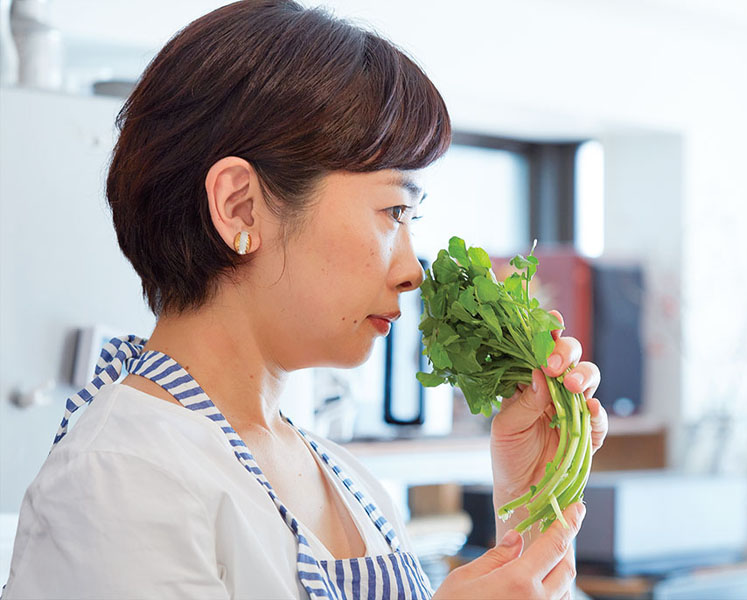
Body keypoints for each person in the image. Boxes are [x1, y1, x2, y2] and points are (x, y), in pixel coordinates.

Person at [2, 1, 608, 598]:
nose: (411, 273)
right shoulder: (120, 476)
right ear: (240, 206)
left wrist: (531, 510)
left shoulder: (348, 482)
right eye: (394, 210)